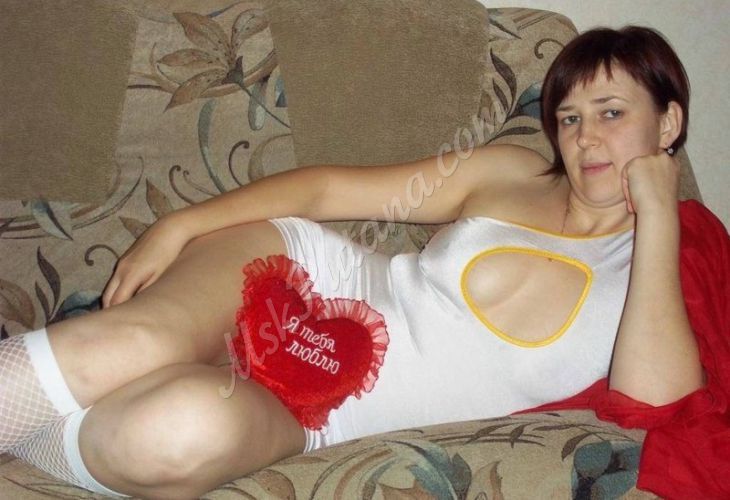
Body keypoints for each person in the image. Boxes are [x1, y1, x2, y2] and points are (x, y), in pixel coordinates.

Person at [0, 25, 727, 499]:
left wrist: (658, 214)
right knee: (131, 343)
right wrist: (178, 225)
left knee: (176, 434)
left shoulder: (671, 262)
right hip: (304, 278)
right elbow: (329, 189)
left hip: (324, 414)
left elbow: (657, 406)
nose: (585, 138)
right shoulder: (511, 170)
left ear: (668, 121)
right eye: (569, 117)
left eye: (611, 113)